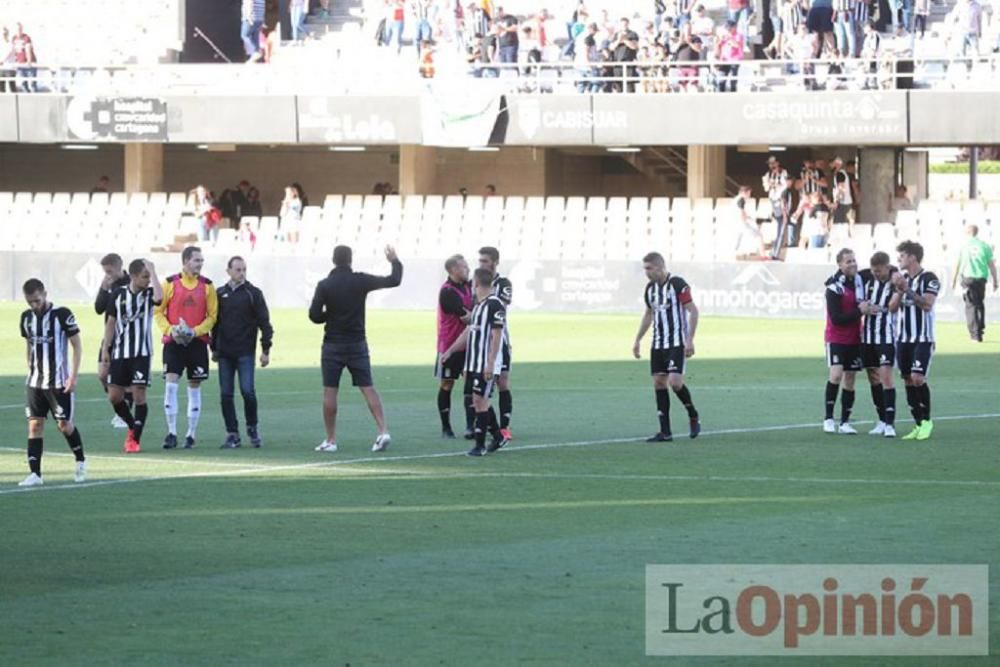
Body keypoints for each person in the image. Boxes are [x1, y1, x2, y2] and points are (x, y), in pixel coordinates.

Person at [309, 245, 403, 453]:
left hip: (333, 343)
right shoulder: (360, 280)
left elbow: (314, 315)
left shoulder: (325, 285)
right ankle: (383, 430)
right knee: (368, 387)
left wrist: (330, 315)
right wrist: (394, 261)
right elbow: (394, 280)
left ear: (333, 260)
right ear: (350, 260)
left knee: (330, 390)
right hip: (357, 342)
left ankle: (331, 440)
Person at [18, 279, 86, 486]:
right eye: (30, 302)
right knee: (35, 425)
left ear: (45, 294)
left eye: (37, 300)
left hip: (58, 382)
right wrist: (29, 365)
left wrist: (73, 376)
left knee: (64, 425)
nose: (34, 306)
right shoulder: (26, 318)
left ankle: (80, 461)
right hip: (35, 382)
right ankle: (35, 474)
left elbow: (77, 346)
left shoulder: (62, 315)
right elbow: (29, 343)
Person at [632, 252, 701, 442]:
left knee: (675, 382)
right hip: (658, 343)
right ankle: (665, 431)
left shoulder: (677, 284)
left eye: (649, 268)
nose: (646, 272)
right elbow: (648, 314)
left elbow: (693, 311)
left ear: (660, 266)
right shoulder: (650, 289)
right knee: (659, 382)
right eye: (645, 268)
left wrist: (690, 339)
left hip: (677, 342)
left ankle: (693, 415)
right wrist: (638, 339)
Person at [154, 246, 219, 449]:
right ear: (185, 261)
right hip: (174, 343)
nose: (200, 263)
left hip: (197, 344)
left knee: (194, 387)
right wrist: (171, 330)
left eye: (201, 260)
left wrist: (195, 331)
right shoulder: (169, 284)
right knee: (171, 385)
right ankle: (171, 432)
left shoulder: (208, 286)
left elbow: (212, 317)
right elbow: (158, 312)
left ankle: (191, 434)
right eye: (196, 260)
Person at [441, 268, 506, 457]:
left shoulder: (495, 305)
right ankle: (497, 435)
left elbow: (497, 335)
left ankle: (480, 445)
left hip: (485, 363)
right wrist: (451, 350)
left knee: (479, 400)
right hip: (473, 363)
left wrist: (490, 363)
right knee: (478, 400)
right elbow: (469, 331)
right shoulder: (479, 306)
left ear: (476, 283)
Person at [100, 259, 163, 454]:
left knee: (138, 396)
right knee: (114, 396)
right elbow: (111, 323)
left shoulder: (149, 294)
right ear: (134, 276)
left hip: (141, 354)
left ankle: (134, 440)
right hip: (120, 352)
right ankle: (132, 426)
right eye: (144, 277)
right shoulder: (118, 295)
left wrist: (153, 270)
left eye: (148, 277)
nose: (148, 280)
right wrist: (106, 349)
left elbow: (160, 298)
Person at [213, 256, 274, 449]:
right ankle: (232, 433)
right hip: (225, 353)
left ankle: (252, 427)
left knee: (248, 391)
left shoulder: (253, 294)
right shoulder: (219, 293)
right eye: (238, 269)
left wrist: (265, 349)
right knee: (226, 394)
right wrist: (214, 347)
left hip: (245, 352)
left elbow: (265, 323)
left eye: (244, 269)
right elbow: (215, 323)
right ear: (228, 271)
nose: (241, 273)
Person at [892, 240, 939, 440]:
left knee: (918, 377)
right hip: (903, 338)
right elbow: (893, 308)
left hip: (922, 337)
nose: (899, 259)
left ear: (912, 257)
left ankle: (927, 421)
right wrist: (899, 290)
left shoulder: (929, 278)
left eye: (902, 255)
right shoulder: (901, 279)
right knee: (907, 380)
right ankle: (918, 424)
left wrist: (908, 289)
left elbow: (927, 305)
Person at [822, 248, 866, 434]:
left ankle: (845, 422)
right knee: (836, 375)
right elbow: (837, 318)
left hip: (855, 337)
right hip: (836, 338)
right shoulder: (834, 288)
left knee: (850, 379)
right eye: (848, 261)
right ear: (840, 264)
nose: (852, 264)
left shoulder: (859, 281)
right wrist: (859, 311)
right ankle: (829, 418)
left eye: (854, 260)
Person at [859, 252, 901, 438]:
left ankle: (890, 424)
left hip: (886, 337)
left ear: (887, 267)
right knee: (873, 378)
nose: (876, 274)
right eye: (874, 271)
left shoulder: (894, 281)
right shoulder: (867, 279)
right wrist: (863, 306)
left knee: (886, 377)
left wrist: (879, 309)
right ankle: (882, 420)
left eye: (879, 271)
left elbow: (893, 307)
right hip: (868, 337)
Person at [435, 255, 474, 439]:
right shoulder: (447, 292)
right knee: (447, 384)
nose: (467, 269)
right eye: (464, 267)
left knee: (471, 382)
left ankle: (470, 426)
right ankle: (446, 427)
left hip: (468, 345)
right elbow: (466, 317)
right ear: (453, 270)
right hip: (450, 345)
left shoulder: (469, 286)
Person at [478, 246, 514, 446]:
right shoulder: (476, 282)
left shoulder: (502, 283)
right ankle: (478, 426)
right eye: (480, 260)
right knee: (478, 384)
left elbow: (500, 306)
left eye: (485, 261)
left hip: (500, 340)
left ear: (495, 262)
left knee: (502, 382)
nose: (482, 264)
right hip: (480, 343)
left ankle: (504, 427)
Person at [94, 253, 133, 428]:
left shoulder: (132, 282)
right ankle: (121, 405)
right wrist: (103, 289)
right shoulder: (108, 284)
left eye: (110, 271)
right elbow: (98, 309)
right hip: (110, 336)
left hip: (128, 337)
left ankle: (125, 412)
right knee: (103, 374)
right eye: (105, 272)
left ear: (119, 267)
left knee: (127, 379)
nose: (107, 275)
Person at [951, 224, 997, 342]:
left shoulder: (963, 246)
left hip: (968, 279)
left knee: (970, 305)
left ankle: (975, 334)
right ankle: (980, 329)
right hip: (981, 279)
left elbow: (957, 264)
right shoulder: (984, 246)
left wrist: (954, 280)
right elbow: (991, 265)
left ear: (967, 232)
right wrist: (996, 280)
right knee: (979, 303)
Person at [763, 155, 792, 258]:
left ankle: (776, 253)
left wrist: (777, 184)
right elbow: (766, 188)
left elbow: (787, 185)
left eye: (774, 163)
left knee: (782, 225)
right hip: (773, 201)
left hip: (782, 200)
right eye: (770, 164)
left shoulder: (784, 173)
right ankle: (773, 250)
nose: (772, 166)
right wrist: (770, 183)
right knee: (774, 227)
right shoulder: (768, 175)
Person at [733, 185, 766, 259]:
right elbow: (741, 213)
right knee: (759, 235)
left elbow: (742, 212)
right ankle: (763, 256)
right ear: (745, 192)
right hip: (741, 224)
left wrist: (749, 218)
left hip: (736, 223)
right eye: (749, 193)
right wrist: (746, 221)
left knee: (737, 239)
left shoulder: (736, 199)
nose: (749, 195)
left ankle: (732, 255)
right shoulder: (741, 200)